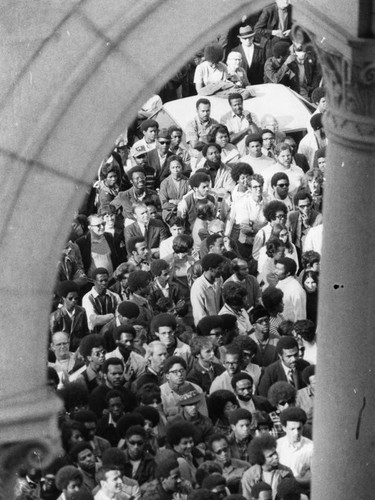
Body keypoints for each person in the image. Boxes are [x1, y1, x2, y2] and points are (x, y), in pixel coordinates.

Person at [241, 434, 293, 500]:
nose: (275, 457)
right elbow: (247, 498)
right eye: (270, 456)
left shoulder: (286, 471)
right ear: (261, 458)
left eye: (275, 453)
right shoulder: (249, 476)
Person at [51, 280, 90, 352]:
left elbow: (86, 333)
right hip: (62, 351)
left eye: (76, 298)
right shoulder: (55, 317)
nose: (74, 301)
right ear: (63, 298)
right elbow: (53, 340)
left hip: (79, 349)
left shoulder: (81, 311)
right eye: (70, 298)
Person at [277, 408, 313, 484]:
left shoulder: (311, 447)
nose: (296, 432)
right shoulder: (277, 445)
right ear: (284, 428)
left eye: (299, 428)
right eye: (292, 429)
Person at [287, 190, 323, 265]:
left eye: (308, 205)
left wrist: (307, 225)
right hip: (296, 253)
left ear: (312, 204)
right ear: (296, 206)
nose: (306, 209)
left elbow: (316, 239)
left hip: (310, 255)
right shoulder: (292, 216)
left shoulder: (319, 218)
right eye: (302, 206)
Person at [82, 268, 121, 332]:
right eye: (101, 281)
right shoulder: (87, 298)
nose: (104, 283)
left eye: (106, 280)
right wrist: (113, 316)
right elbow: (94, 320)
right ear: (94, 281)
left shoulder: (115, 296)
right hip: (95, 334)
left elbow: (121, 317)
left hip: (113, 333)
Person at [190, 253, 225, 326]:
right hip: (206, 327)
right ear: (211, 269)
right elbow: (199, 314)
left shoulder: (219, 279)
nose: (223, 270)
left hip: (218, 324)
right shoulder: (198, 287)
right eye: (219, 268)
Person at [274, 257, 306, 322]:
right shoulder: (279, 283)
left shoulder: (296, 290)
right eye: (275, 268)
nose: (275, 271)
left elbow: (300, 316)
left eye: (279, 269)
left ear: (288, 273)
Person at [159, 156, 190, 222]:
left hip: (184, 213)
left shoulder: (187, 181)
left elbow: (189, 201)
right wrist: (180, 203)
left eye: (178, 167)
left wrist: (175, 201)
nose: (175, 170)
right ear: (169, 169)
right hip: (169, 213)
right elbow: (164, 204)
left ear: (182, 167)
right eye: (173, 167)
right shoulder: (164, 183)